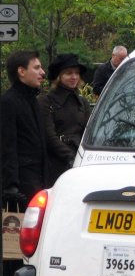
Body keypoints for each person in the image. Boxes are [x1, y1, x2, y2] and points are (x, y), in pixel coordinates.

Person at [1, 50, 47, 276]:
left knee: (28, 235)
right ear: (21, 71)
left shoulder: (32, 100)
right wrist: (10, 185)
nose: (42, 72)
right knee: (13, 235)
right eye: (36, 67)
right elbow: (7, 145)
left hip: (35, 178)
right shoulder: (9, 102)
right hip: (20, 180)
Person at [38, 53, 92, 186]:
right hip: (56, 162)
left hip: (80, 159)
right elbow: (48, 135)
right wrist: (69, 156)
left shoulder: (83, 102)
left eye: (76, 73)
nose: (74, 77)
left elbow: (89, 132)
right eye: (69, 73)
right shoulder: (46, 101)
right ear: (58, 76)